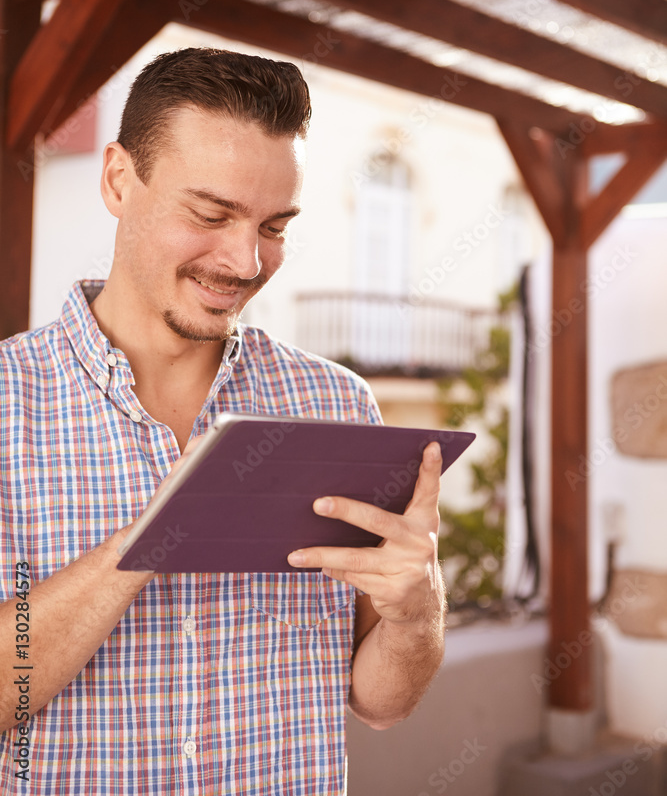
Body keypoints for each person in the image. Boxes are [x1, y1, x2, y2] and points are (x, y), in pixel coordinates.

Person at [0, 48, 446, 794]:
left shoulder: (338, 406)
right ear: (118, 179)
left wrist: (415, 610)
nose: (245, 261)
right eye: (211, 215)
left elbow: (380, 702)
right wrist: (153, 536)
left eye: (274, 225)